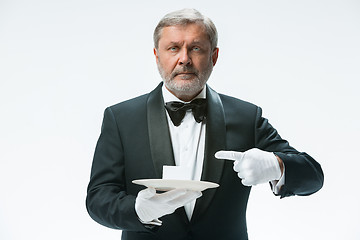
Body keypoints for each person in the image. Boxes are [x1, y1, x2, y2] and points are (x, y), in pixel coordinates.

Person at [86, 8, 324, 240]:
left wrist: (277, 165)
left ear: (214, 56)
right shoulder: (121, 118)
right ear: (157, 56)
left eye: (196, 48)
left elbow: (313, 176)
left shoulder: (246, 117)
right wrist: (138, 210)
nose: (184, 59)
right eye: (173, 48)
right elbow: (98, 198)